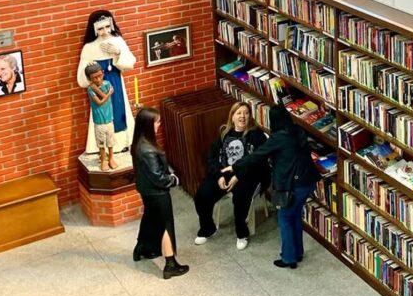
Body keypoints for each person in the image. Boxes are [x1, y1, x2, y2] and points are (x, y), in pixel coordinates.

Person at [227, 105, 320, 268]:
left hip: (291, 185)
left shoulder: (278, 138)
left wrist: (235, 167)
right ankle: (297, 252)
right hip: (308, 182)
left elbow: (257, 155)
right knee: (295, 216)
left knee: (284, 218)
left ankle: (289, 258)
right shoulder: (297, 130)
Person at [193, 101, 269, 249]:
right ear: (232, 117)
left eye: (246, 113)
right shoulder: (224, 134)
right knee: (201, 195)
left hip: (249, 175)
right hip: (224, 173)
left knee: (240, 198)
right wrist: (218, 176)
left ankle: (242, 233)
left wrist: (238, 176)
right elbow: (213, 158)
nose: (243, 116)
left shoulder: (257, 135)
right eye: (239, 113)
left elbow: (258, 161)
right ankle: (207, 228)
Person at [131, 107, 189, 280]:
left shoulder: (139, 143)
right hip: (157, 193)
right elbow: (158, 177)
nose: (159, 125)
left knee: (150, 219)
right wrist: (174, 180)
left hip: (147, 190)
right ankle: (170, 264)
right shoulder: (147, 149)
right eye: (157, 122)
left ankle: (142, 249)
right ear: (149, 125)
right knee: (164, 225)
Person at [77, 10, 136, 154]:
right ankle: (103, 146)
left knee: (118, 110)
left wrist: (118, 53)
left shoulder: (117, 41)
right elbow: (82, 78)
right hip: (99, 86)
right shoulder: (89, 47)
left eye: (107, 27)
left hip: (116, 82)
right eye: (100, 28)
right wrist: (90, 70)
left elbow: (130, 64)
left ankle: (122, 143)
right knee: (102, 114)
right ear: (94, 29)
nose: (104, 32)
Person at [84, 63, 117, 171]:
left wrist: (98, 89)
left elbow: (103, 97)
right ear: (90, 79)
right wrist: (109, 93)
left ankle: (111, 158)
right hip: (99, 120)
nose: (98, 79)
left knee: (110, 141)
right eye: (94, 78)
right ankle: (103, 160)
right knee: (101, 143)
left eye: (100, 75)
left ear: (103, 73)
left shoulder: (107, 84)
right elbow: (100, 102)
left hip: (109, 118)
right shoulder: (90, 89)